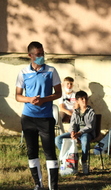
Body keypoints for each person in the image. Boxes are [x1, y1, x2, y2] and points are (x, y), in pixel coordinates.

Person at [15, 41, 62, 190]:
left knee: (49, 152)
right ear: (30, 55)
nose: (42, 56)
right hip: (28, 118)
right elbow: (18, 96)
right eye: (38, 54)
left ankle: (53, 186)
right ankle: (38, 184)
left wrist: (44, 99)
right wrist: (30, 99)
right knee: (32, 151)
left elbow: (58, 93)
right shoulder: (23, 73)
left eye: (43, 53)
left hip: (46, 117)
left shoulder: (51, 71)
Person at [55, 90, 95, 175]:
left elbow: (90, 126)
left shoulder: (91, 112)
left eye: (86, 99)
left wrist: (79, 133)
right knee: (58, 139)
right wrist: (72, 132)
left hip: (86, 133)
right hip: (76, 133)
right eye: (82, 99)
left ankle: (84, 161)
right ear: (77, 101)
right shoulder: (75, 112)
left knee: (85, 140)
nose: (84, 101)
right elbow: (72, 124)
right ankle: (69, 157)